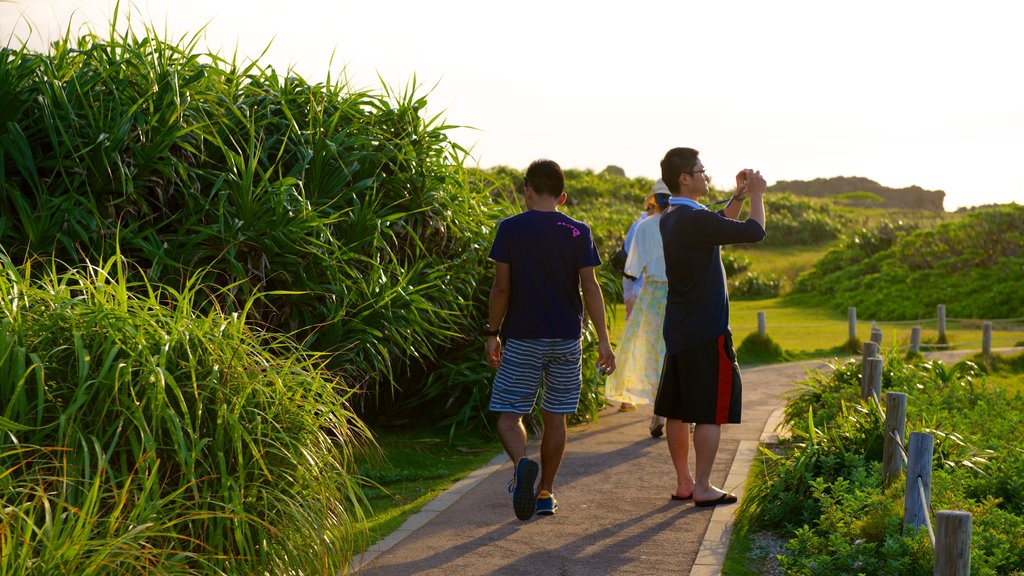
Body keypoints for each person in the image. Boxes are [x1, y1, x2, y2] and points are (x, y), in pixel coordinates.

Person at [484, 159, 616, 521]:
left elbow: (501, 288)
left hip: (524, 336)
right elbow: (590, 288)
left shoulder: (510, 228)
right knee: (555, 416)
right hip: (566, 337)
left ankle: (521, 465)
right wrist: (604, 342)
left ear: (527, 189)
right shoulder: (578, 231)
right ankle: (545, 493)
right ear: (563, 195)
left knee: (509, 417)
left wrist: (492, 332)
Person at [655, 147, 766, 506]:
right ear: (685, 178)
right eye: (700, 171)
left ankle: (685, 482)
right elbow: (754, 231)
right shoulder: (694, 220)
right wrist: (757, 196)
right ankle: (703, 486)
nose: (706, 176)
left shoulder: (672, 216)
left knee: (677, 407)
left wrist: (737, 196)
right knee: (708, 411)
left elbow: (719, 226)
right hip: (707, 327)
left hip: (680, 327)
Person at [604, 179, 672, 436]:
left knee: (655, 352)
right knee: (677, 351)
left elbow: (632, 269)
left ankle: (659, 413)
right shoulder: (688, 222)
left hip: (653, 292)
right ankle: (679, 415)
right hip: (680, 292)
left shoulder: (644, 226)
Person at [616, 193, 659, 412]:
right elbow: (634, 265)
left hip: (639, 289)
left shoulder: (640, 225)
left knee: (637, 343)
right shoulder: (644, 226)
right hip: (642, 290)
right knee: (643, 344)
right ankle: (629, 395)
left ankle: (629, 396)